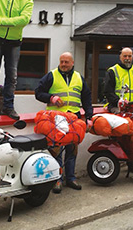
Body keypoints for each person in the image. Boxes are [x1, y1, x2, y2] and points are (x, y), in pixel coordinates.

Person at [34, 52, 93, 194]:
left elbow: (87, 98)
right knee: (56, 150)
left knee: (72, 149)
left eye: (66, 62)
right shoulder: (51, 75)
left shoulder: (79, 77)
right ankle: (57, 180)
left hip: (74, 118)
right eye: (62, 62)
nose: (64, 64)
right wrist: (51, 98)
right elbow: (38, 92)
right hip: (56, 119)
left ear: (72, 63)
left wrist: (89, 117)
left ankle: (71, 178)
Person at [103, 47, 133, 175]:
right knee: (117, 136)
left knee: (132, 137)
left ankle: (132, 163)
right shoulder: (113, 71)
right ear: (120, 57)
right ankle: (116, 163)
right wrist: (117, 101)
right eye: (125, 56)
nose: (127, 58)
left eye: (129, 56)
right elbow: (107, 90)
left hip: (132, 109)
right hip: (117, 108)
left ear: (132, 57)